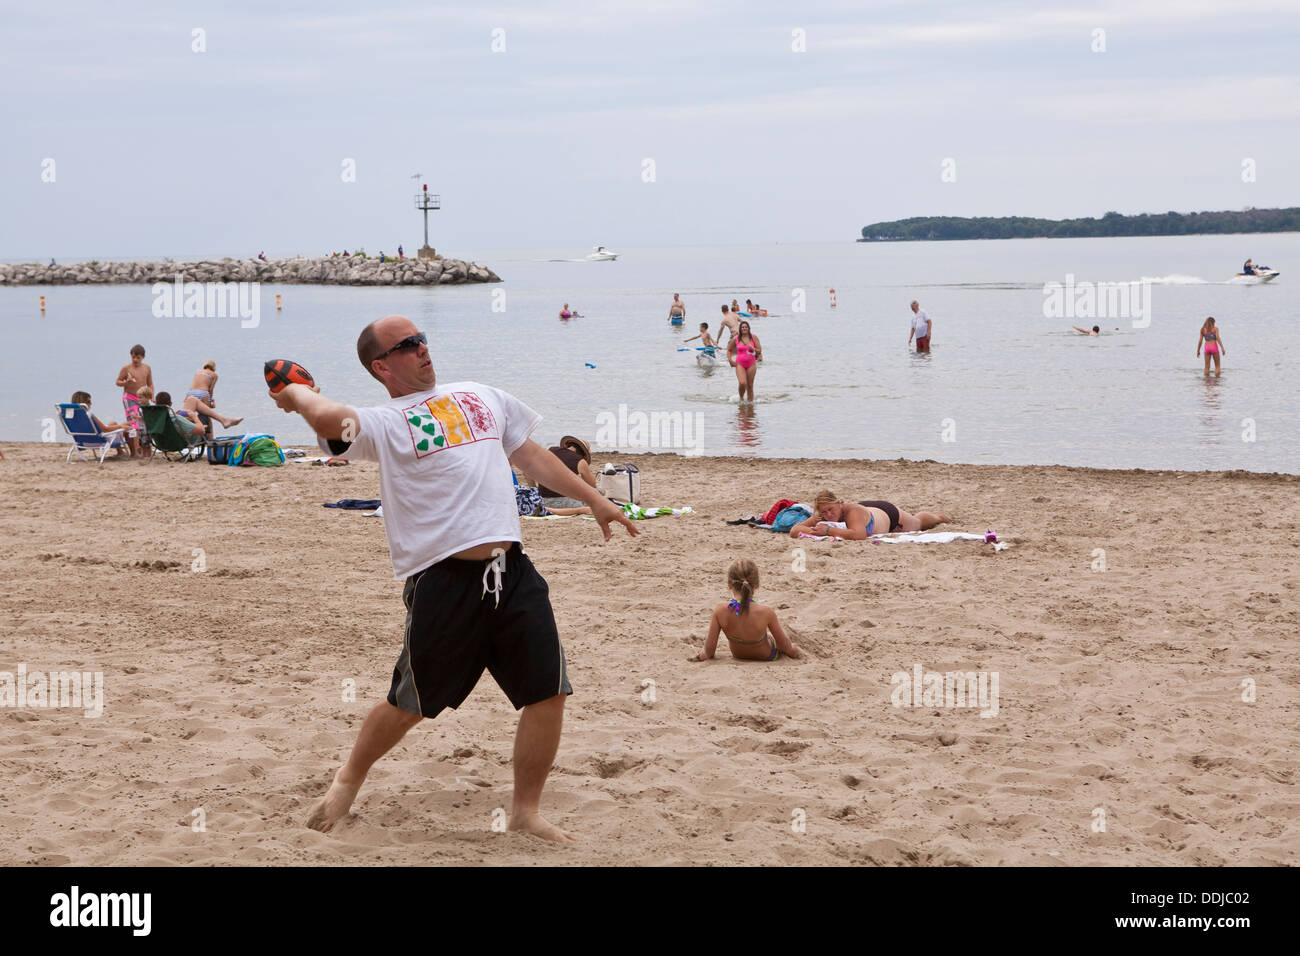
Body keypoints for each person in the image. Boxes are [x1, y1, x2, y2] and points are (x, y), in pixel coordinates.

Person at [273, 314, 638, 842]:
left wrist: (596, 500)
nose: (423, 349)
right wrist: (298, 394)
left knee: (547, 693)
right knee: (409, 705)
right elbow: (332, 421)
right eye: (408, 345)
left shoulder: (479, 395)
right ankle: (347, 779)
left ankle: (525, 812)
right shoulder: (387, 421)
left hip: (512, 572)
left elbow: (529, 454)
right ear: (382, 365)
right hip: (443, 582)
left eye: (423, 339)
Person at [690, 560, 800, 662]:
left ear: (729, 584)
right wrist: (793, 650)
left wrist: (701, 655)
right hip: (766, 656)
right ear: (757, 585)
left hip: (739, 656)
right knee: (776, 636)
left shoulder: (720, 610)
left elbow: (709, 650)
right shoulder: (766, 612)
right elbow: (783, 645)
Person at [790, 491, 950, 539]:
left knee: (919, 522)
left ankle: (940, 516)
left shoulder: (852, 512)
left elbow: (859, 535)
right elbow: (795, 530)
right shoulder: (822, 515)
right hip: (870, 510)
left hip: (890, 515)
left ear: (839, 503)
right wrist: (813, 531)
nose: (829, 515)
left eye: (831, 509)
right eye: (824, 512)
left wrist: (828, 531)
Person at [533, 436, 600, 516]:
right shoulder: (580, 461)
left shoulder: (551, 450)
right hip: (566, 502)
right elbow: (592, 486)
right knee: (599, 493)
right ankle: (581, 510)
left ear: (568, 445)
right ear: (583, 453)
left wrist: (535, 489)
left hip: (543, 500)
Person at [182, 360, 243, 435]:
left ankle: (194, 430)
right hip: (203, 393)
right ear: (214, 367)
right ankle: (211, 438)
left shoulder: (198, 371)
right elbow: (210, 389)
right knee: (207, 416)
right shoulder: (214, 375)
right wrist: (210, 401)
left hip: (191, 393)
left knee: (189, 415)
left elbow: (194, 384)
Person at [115, 344, 154, 458]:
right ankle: (137, 447)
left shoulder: (147, 368)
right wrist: (125, 383)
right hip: (130, 397)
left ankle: (145, 446)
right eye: (133, 357)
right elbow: (117, 382)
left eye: (138, 358)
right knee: (134, 420)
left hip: (143, 397)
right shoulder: (126, 369)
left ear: (143, 357)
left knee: (145, 421)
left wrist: (151, 395)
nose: (135, 360)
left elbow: (150, 383)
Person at [70, 391, 130, 458]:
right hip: (98, 441)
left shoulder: (70, 416)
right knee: (126, 424)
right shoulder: (89, 415)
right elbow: (105, 429)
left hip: (83, 441)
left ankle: (120, 452)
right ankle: (134, 452)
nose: (91, 403)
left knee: (113, 423)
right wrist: (120, 426)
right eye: (89, 401)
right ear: (83, 403)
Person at [727, 319, 762, 403]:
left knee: (750, 385)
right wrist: (730, 360)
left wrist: (753, 348)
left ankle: (750, 404)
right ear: (740, 329)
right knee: (742, 383)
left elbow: (759, 351)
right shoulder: (736, 339)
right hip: (740, 364)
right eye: (742, 327)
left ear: (748, 328)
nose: (744, 328)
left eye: (746, 327)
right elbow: (729, 350)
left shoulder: (754, 337)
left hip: (751, 364)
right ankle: (741, 398)